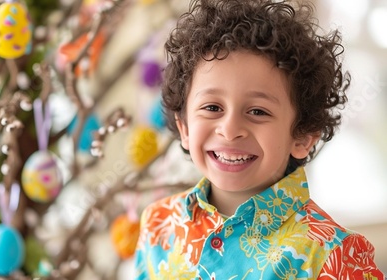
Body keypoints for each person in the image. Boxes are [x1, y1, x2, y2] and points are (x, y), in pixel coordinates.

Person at [134, 0, 386, 279]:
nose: (229, 130)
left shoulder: (334, 256)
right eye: (212, 108)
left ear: (302, 136)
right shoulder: (158, 224)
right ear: (184, 128)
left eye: (257, 111)